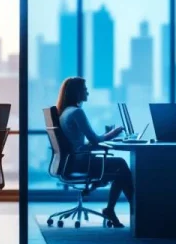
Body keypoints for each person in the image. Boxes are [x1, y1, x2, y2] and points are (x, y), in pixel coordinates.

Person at [56, 77, 134, 228]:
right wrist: (113, 133)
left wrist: (105, 136)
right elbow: (95, 140)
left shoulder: (64, 112)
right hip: (80, 163)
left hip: (71, 163)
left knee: (119, 168)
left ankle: (110, 207)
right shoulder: (77, 112)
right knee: (121, 165)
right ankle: (133, 207)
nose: (88, 92)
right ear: (77, 92)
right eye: (85, 89)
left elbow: (79, 144)